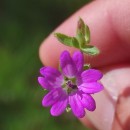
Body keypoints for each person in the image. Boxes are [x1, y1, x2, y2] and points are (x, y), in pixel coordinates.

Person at [39, 0, 130, 130]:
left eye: (69, 83)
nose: (69, 84)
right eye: (68, 83)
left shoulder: (74, 76)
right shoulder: (64, 88)